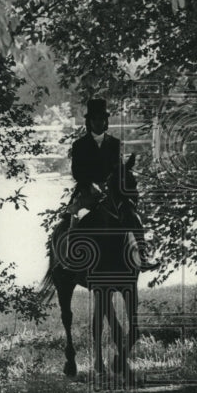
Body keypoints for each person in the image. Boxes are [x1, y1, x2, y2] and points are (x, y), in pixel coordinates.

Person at [69, 98, 158, 270]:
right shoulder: (79, 144)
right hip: (87, 191)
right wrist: (91, 184)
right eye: (95, 119)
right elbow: (77, 172)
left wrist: (121, 173)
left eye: (102, 119)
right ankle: (73, 257)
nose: (99, 123)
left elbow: (116, 168)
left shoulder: (114, 143)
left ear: (106, 121)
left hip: (111, 191)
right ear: (89, 122)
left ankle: (142, 255)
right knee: (76, 216)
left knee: (133, 216)